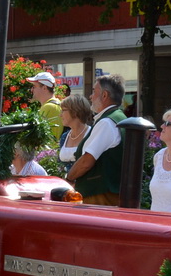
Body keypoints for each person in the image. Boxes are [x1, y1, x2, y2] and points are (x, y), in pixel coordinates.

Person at [66, 75, 128, 206]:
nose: (90, 96)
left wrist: (68, 178)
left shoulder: (106, 122)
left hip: (100, 196)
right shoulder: (118, 117)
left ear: (104, 95)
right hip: (107, 194)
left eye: (94, 91)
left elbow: (86, 161)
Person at [31, 71, 63, 145]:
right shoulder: (55, 103)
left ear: (44, 88)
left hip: (47, 153)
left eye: (34, 87)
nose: (32, 90)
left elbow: (37, 136)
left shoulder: (48, 107)